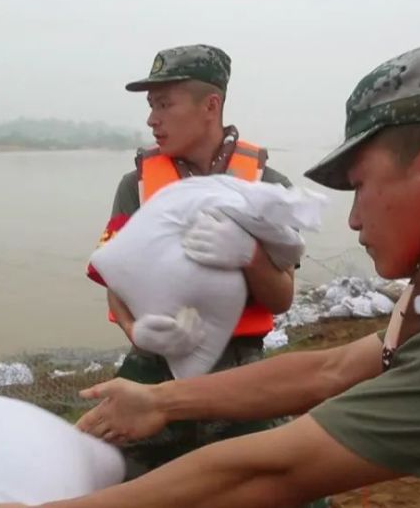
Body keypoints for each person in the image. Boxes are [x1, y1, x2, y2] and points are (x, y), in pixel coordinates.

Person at [2, 38, 420, 507]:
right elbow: (335, 365)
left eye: (358, 186)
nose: (352, 221)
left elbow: (274, 469)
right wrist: (160, 399)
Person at [84, 44, 301, 480]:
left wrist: (249, 255)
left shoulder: (267, 186)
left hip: (241, 368)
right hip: (153, 367)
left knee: (269, 482)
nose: (152, 119)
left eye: (164, 104)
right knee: (105, 475)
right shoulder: (138, 186)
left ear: (211, 105)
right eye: (150, 106)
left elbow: (281, 299)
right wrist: (138, 331)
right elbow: (115, 277)